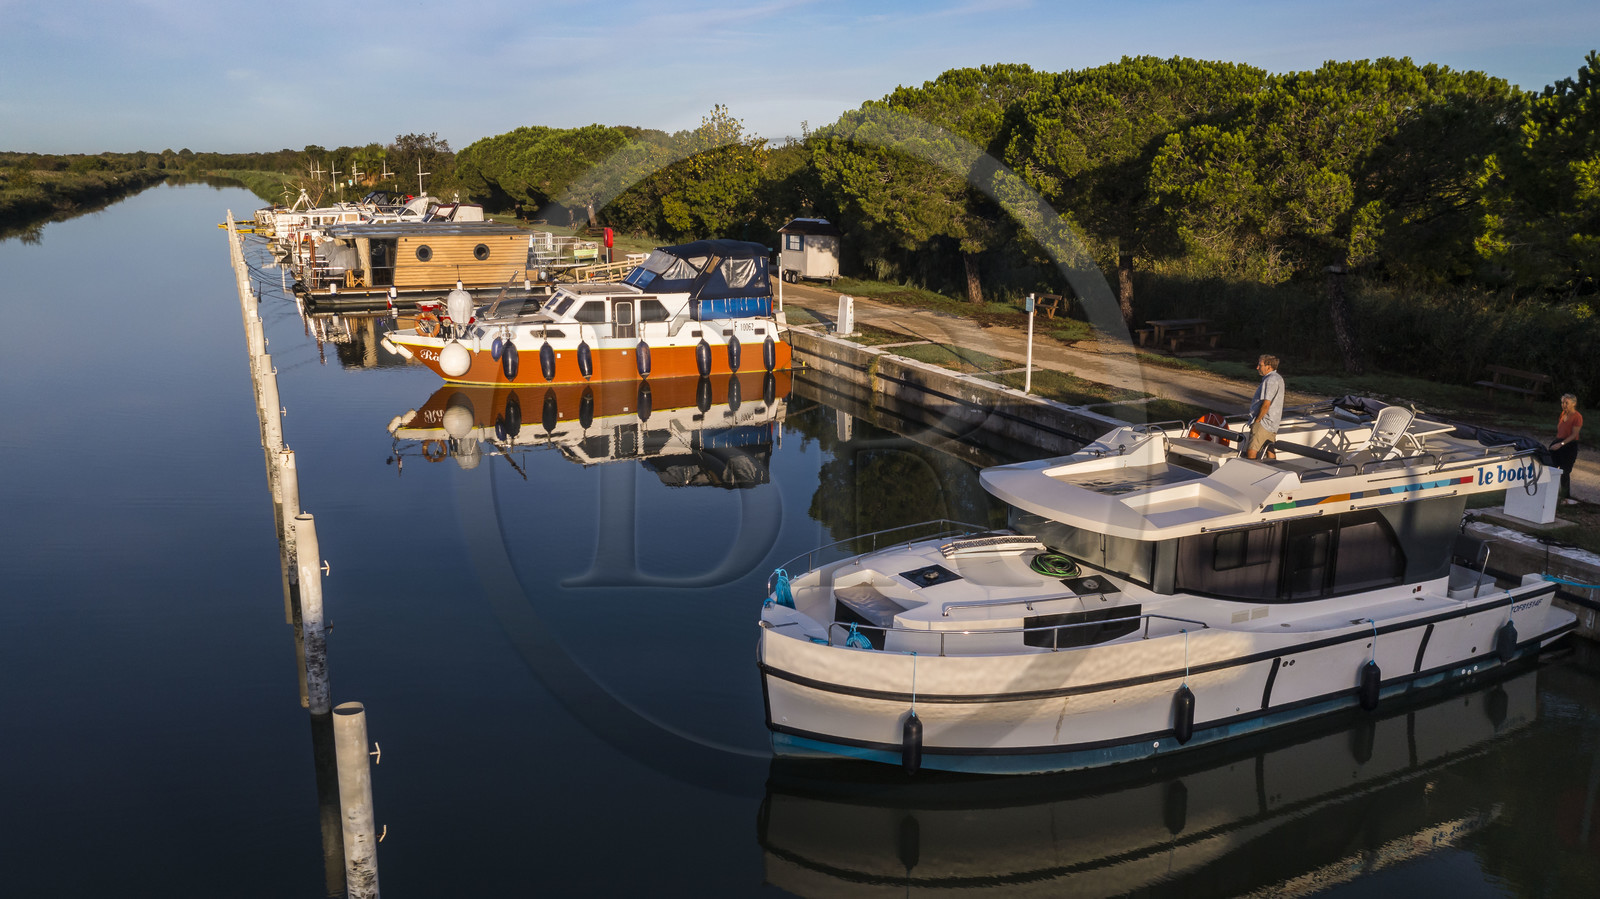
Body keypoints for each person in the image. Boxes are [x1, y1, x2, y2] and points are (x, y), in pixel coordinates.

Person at [1243, 355, 1283, 460]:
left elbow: (1266, 404)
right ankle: (1274, 470)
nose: (1257, 367)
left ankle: (1252, 473)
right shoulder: (1278, 378)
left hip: (1263, 422)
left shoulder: (1270, 380)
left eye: (1260, 365)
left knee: (1252, 450)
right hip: (1273, 423)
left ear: (1268, 366)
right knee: (1269, 449)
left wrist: (1257, 420)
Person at [1552, 392, 1584, 505]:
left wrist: (1561, 444)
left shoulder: (1577, 417)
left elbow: (1574, 435)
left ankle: (1565, 498)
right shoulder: (1563, 414)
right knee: (1550, 466)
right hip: (1558, 442)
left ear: (1573, 404)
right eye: (1562, 402)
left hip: (1569, 445)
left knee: (1564, 472)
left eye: (1567, 403)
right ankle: (1549, 493)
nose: (1564, 405)